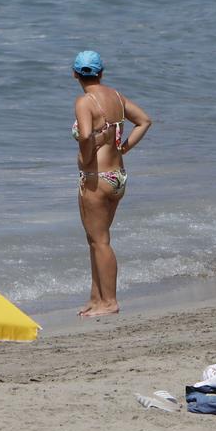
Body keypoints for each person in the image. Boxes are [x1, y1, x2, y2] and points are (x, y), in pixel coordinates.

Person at [69, 50, 151, 315]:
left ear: (75, 74)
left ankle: (110, 301)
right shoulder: (115, 96)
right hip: (117, 177)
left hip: (97, 178)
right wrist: (123, 148)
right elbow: (144, 121)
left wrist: (87, 154)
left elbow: (84, 135)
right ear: (101, 72)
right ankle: (96, 297)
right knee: (94, 238)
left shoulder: (85, 101)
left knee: (100, 240)